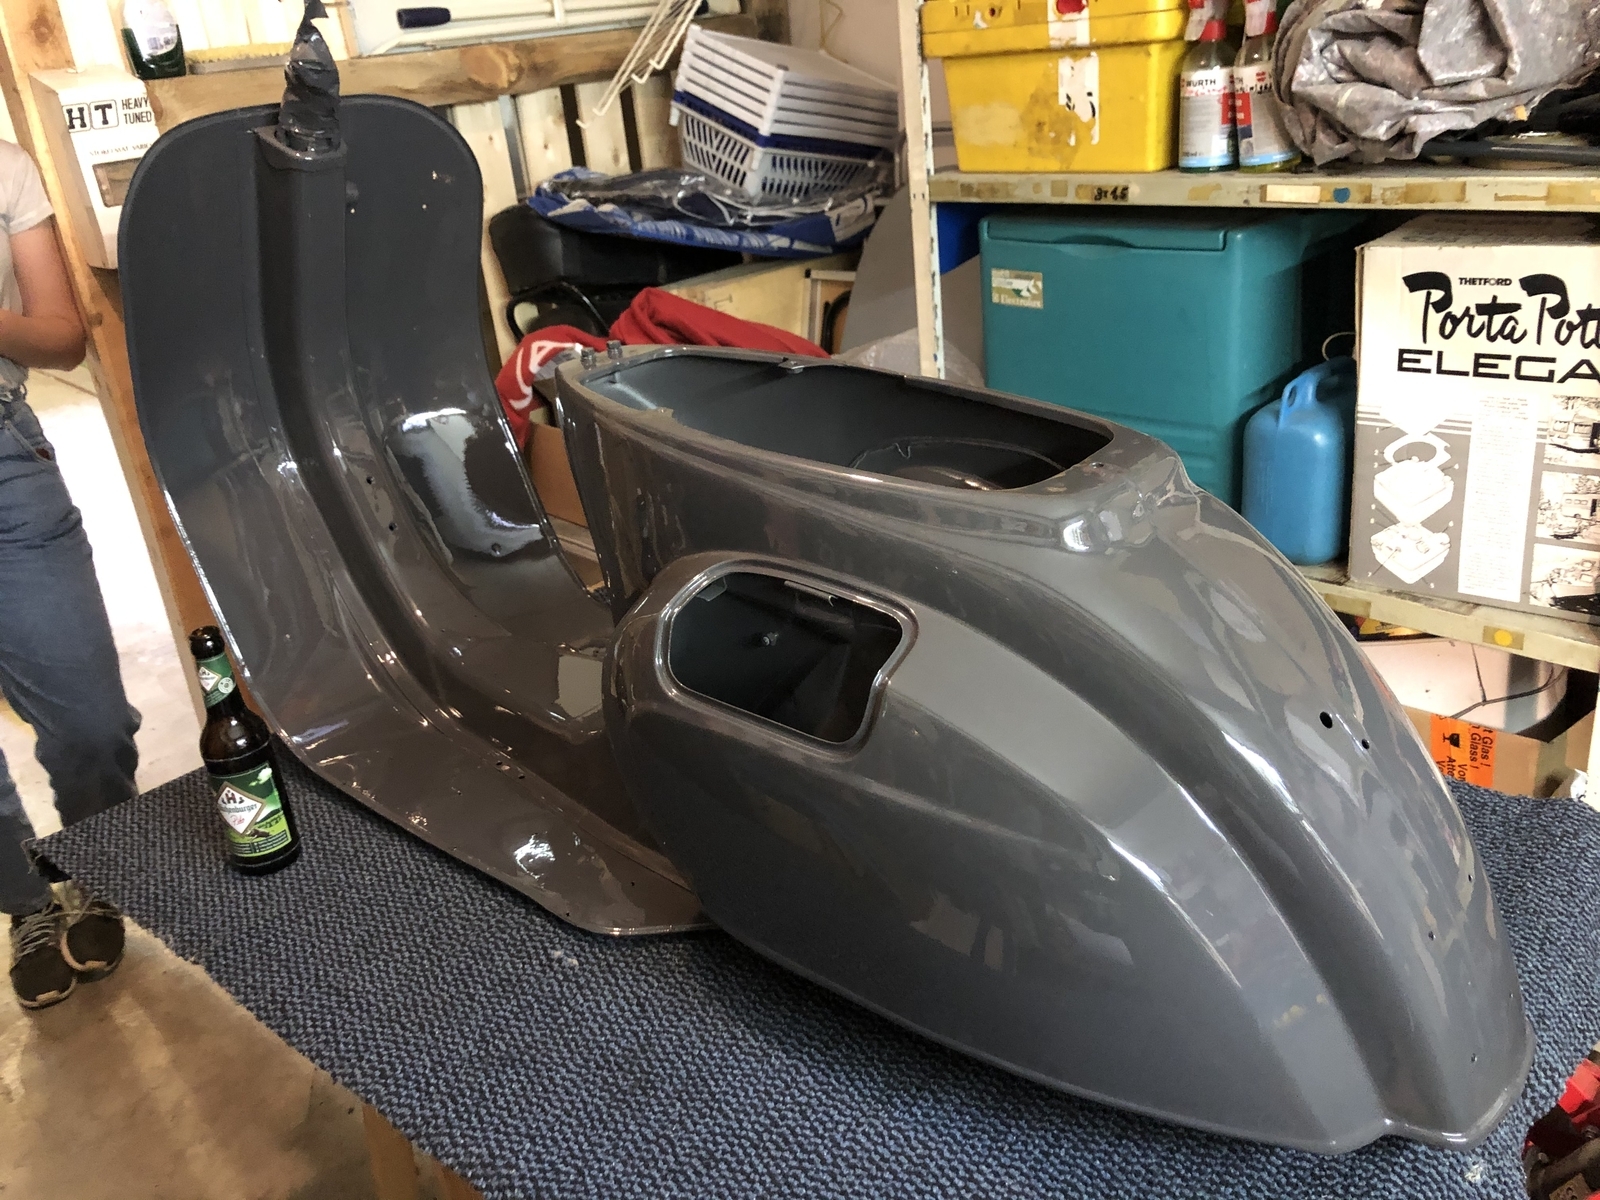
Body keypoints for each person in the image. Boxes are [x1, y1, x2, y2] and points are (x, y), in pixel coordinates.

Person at [0, 139, 139, 1008]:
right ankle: (23, 903)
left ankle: (102, 864)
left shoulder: (6, 169)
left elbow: (59, 336)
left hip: (4, 461)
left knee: (91, 722)